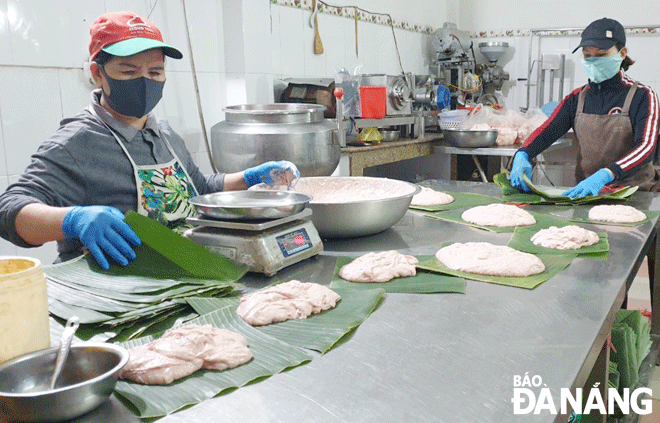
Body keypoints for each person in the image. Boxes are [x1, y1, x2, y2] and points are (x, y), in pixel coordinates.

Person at [0, 11, 299, 270]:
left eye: (155, 71)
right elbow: (9, 211)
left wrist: (249, 178)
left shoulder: (164, 133)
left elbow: (199, 189)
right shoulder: (76, 142)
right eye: (129, 71)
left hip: (179, 274)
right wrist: (72, 219)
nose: (145, 81)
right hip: (117, 292)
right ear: (98, 74)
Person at [510, 17, 659, 198]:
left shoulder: (642, 95)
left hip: (636, 192)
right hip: (588, 194)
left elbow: (646, 147)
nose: (594, 60)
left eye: (602, 54)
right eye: (588, 55)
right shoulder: (576, 98)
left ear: (622, 53)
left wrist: (607, 174)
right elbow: (547, 132)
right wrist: (523, 153)